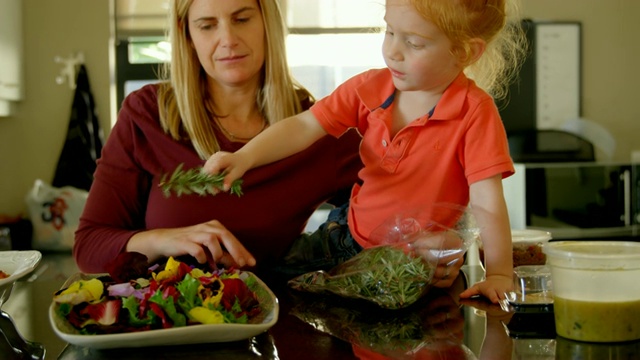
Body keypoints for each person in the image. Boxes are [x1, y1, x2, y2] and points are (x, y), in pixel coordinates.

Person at [72, 0, 465, 286]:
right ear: (187, 37)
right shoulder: (146, 114)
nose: (228, 39)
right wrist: (163, 239)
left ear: (266, 24)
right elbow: (89, 247)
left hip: (273, 329)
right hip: (162, 330)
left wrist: (431, 250)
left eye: (242, 18)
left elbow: (399, 207)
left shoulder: (317, 128)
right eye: (207, 25)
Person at [204, 0, 527, 303]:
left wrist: (499, 273)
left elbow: (488, 202)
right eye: (389, 32)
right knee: (266, 281)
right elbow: (304, 126)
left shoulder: (474, 113)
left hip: (412, 267)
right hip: (345, 241)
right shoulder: (370, 87)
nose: (393, 51)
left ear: (466, 52)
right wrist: (244, 156)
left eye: (413, 43)